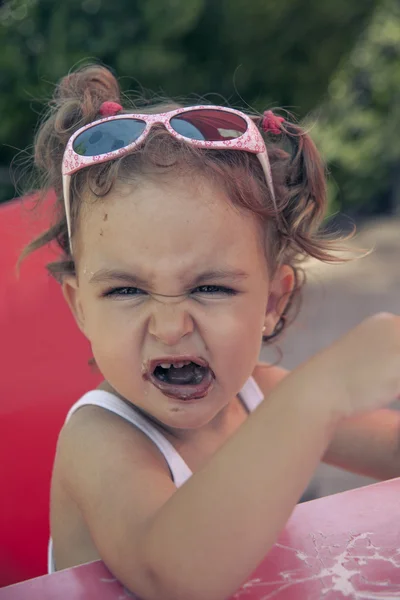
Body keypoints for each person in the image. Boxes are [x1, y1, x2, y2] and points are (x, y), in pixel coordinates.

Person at [22, 65, 400, 600]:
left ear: (272, 300)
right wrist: (321, 392)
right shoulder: (101, 439)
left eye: (211, 288)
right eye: (126, 291)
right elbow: (178, 575)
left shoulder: (259, 395)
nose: (172, 327)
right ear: (80, 307)